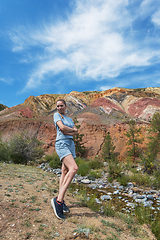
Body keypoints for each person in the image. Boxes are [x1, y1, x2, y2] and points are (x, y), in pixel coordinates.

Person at [51, 99, 78, 220]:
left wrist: (71, 131)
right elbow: (62, 129)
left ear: (65, 106)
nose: (59, 108)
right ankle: (59, 201)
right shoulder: (56, 115)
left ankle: (59, 198)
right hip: (62, 143)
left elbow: (75, 133)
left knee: (65, 172)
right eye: (58, 106)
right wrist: (71, 130)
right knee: (74, 168)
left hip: (71, 144)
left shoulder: (70, 119)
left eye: (61, 105)